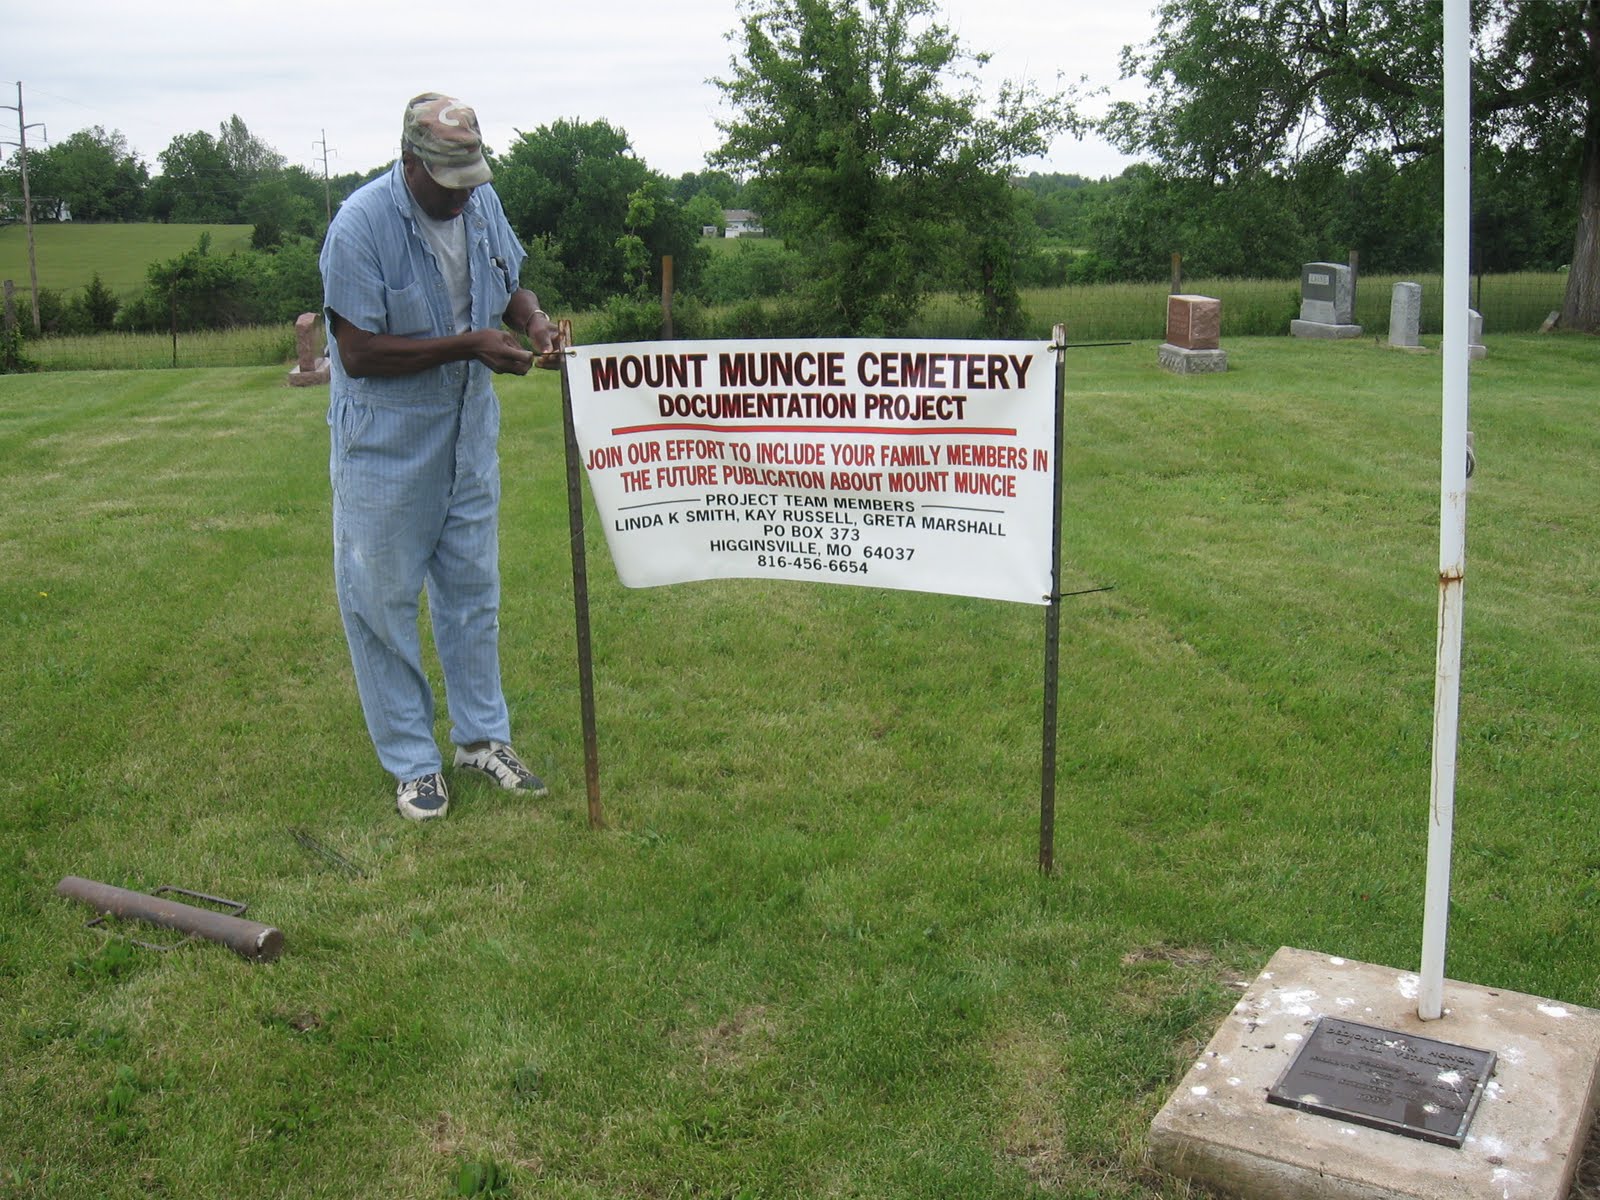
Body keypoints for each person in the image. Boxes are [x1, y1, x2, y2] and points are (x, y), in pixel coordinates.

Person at [320, 92, 558, 821]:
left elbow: (508, 284)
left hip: (467, 435)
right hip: (385, 446)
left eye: (471, 179)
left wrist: (537, 323)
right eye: (449, 182)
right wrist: (469, 344)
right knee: (381, 602)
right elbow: (356, 353)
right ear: (410, 163)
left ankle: (483, 739)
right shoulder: (360, 225)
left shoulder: (478, 203)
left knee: (472, 594)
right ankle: (414, 762)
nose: (462, 196)